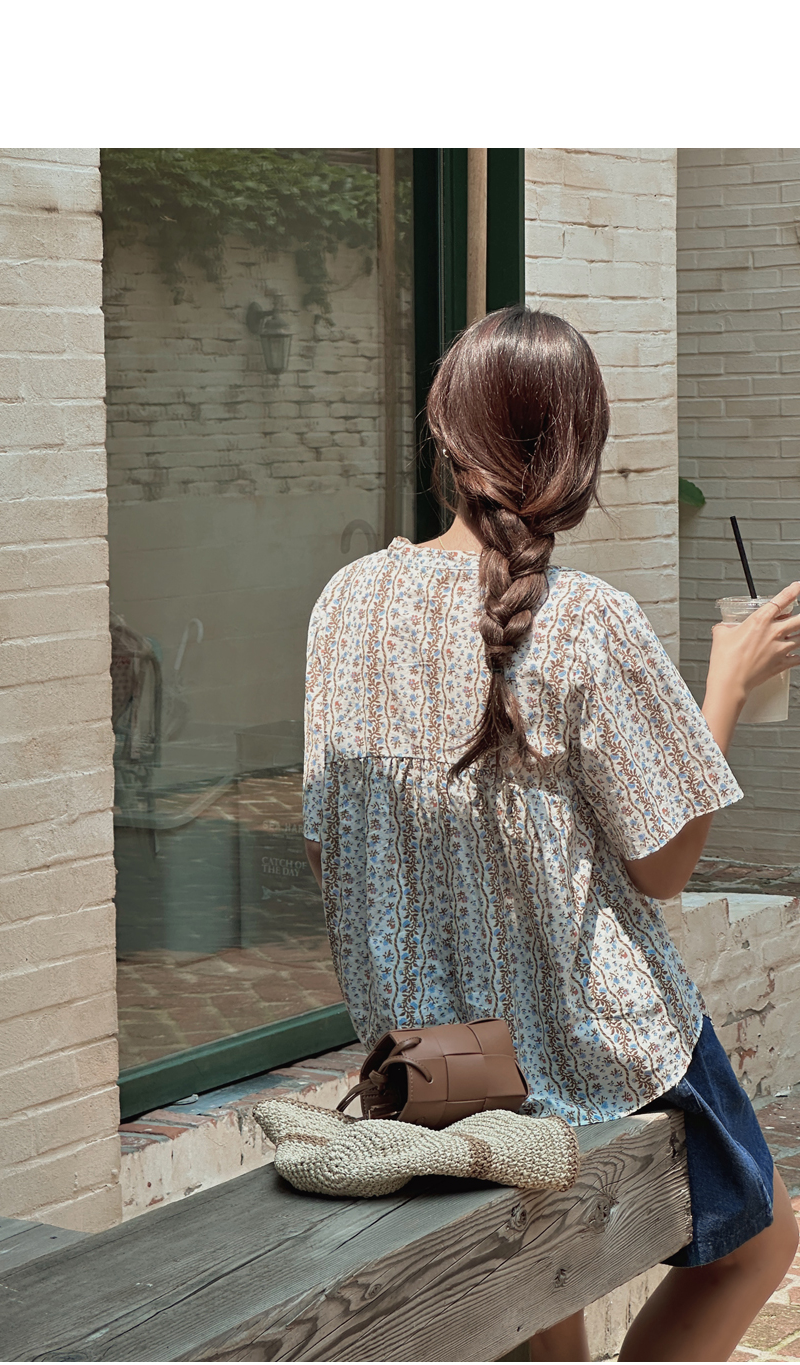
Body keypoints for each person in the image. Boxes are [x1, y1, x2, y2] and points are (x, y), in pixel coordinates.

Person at [301, 305, 800, 1362]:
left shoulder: (346, 602)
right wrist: (726, 682)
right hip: (590, 1046)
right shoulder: (589, 620)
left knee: (540, 1322)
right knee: (758, 1247)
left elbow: (323, 845)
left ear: (445, 434)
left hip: (425, 1064)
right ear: (582, 453)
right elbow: (664, 867)